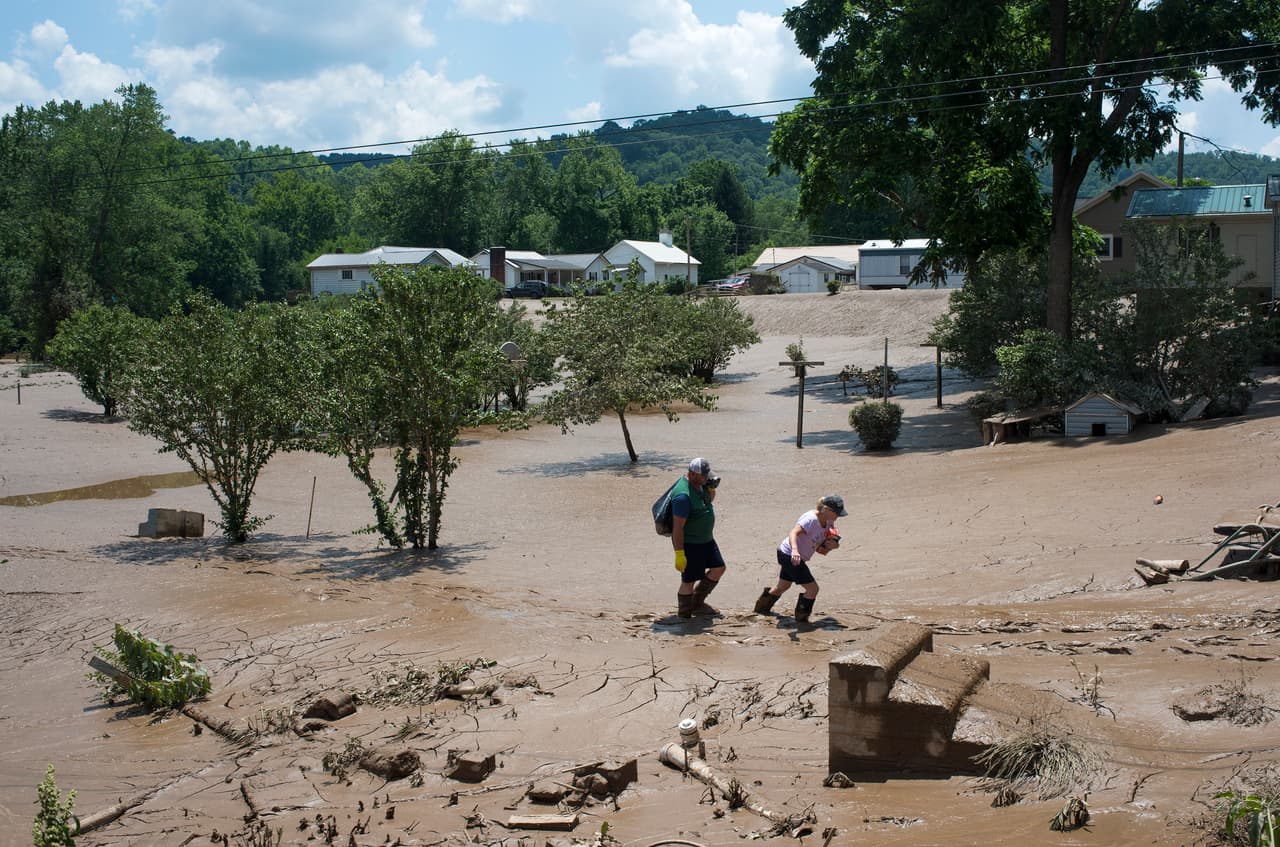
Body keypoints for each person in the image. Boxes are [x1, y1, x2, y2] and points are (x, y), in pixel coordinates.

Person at [754, 495, 848, 623]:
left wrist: (833, 545)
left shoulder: (829, 521)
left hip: (793, 556)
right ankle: (802, 620)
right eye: (836, 513)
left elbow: (824, 541)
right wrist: (795, 550)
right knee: (812, 589)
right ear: (826, 510)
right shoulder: (811, 520)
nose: (838, 517)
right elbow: (793, 532)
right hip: (789, 555)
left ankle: (761, 609)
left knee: (783, 586)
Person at [671, 457, 725, 618]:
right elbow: (677, 528)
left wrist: (710, 490)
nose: (706, 478)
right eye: (704, 476)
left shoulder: (700, 485)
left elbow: (705, 505)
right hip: (691, 544)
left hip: (707, 540)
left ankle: (697, 603)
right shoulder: (682, 497)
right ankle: (684, 615)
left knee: (718, 568)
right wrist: (679, 553)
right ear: (693, 474)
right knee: (688, 581)